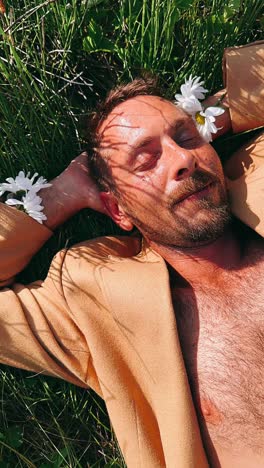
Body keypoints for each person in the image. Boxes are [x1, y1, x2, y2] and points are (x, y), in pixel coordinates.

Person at [0, 42, 263, 467]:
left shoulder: (258, 173)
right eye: (146, 160)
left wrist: (213, 112)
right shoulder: (96, 297)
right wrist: (59, 197)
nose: (183, 160)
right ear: (117, 210)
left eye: (186, 137)